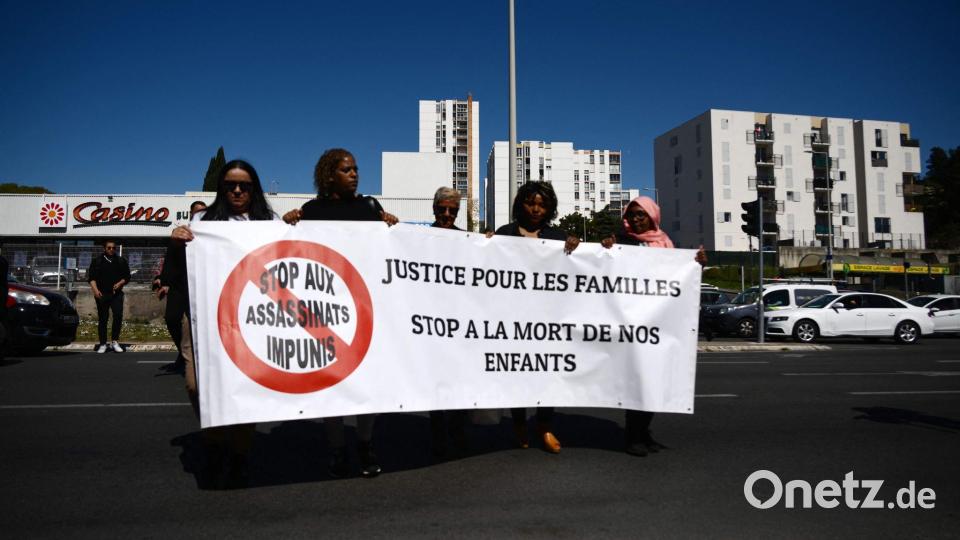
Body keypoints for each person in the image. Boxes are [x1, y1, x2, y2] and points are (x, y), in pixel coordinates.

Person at [283, 148, 396, 478]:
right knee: (331, 381)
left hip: (366, 303)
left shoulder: (369, 207)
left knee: (367, 380)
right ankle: (336, 447)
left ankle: (365, 443)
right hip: (327, 306)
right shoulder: (311, 211)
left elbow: (390, 249)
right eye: (347, 169)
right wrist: (288, 224)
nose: (355, 174)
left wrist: (391, 226)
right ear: (329, 174)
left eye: (356, 169)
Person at [170, 159, 278, 489]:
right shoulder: (203, 221)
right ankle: (215, 442)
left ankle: (239, 457)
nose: (236, 190)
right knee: (196, 385)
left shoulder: (268, 222)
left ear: (253, 188)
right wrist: (176, 242)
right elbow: (181, 268)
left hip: (252, 319)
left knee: (246, 391)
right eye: (230, 184)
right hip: (205, 316)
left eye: (244, 185)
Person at [601, 195, 705, 457]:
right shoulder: (620, 241)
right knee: (639, 382)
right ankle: (633, 436)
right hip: (631, 324)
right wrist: (606, 248)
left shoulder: (665, 243)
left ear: (652, 215)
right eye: (631, 214)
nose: (635, 219)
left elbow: (678, 279)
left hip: (658, 324)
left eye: (641, 214)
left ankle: (644, 433)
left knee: (655, 381)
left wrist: (697, 264)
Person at [492, 181, 579, 454]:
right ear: (521, 204)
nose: (536, 209)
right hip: (513, 319)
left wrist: (577, 247)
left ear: (550, 208)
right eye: (531, 202)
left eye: (542, 204)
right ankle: (519, 424)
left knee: (546, 374)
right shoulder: (504, 234)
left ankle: (544, 426)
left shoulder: (557, 237)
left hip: (547, 320)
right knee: (517, 372)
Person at [426, 187, 468, 457]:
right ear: (434, 209)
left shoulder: (466, 239)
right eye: (442, 209)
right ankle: (438, 433)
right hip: (429, 321)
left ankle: (458, 430)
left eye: (452, 210)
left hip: (461, 321)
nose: (447, 214)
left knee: (461, 378)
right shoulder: (418, 237)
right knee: (434, 380)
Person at [157, 200, 207, 375]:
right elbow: (171, 259)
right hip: (180, 286)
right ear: (190, 214)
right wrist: (164, 281)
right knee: (171, 319)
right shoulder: (181, 233)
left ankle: (196, 360)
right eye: (197, 212)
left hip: (201, 286)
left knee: (200, 326)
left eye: (203, 212)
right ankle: (183, 354)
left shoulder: (211, 233)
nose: (200, 215)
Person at [87, 239, 130, 353]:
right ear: (104, 248)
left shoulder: (120, 261)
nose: (111, 250)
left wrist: (120, 283)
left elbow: (127, 276)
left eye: (113, 248)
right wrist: (96, 291)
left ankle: (115, 341)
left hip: (116, 295)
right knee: (103, 318)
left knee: (117, 316)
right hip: (102, 294)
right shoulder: (97, 261)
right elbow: (91, 278)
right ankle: (102, 344)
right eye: (109, 248)